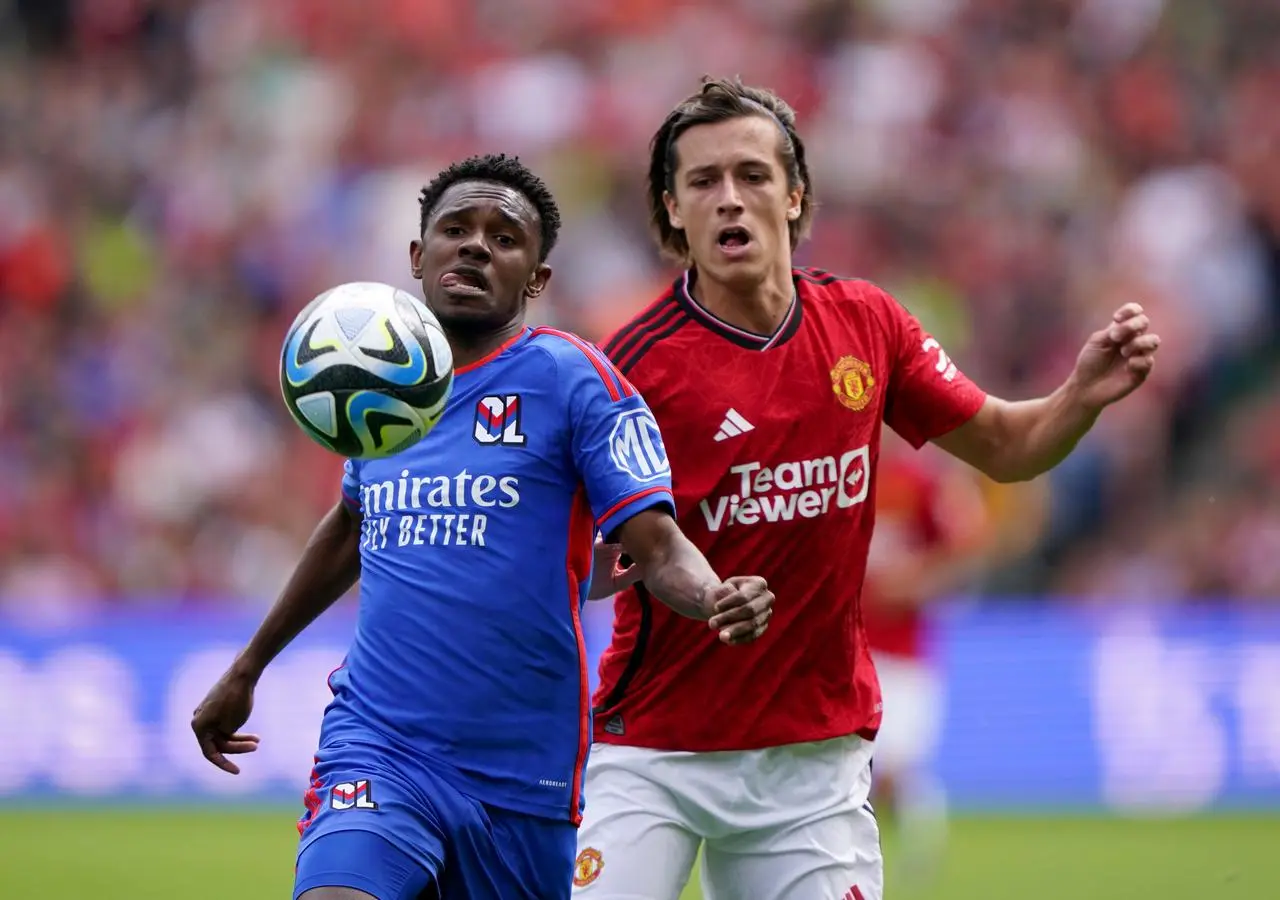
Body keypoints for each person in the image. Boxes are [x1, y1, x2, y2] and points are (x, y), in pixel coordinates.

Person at [575, 79, 1161, 900]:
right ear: (672, 210)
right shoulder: (631, 365)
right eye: (703, 182)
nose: (730, 199)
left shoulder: (867, 326)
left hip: (812, 756)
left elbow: (1005, 446)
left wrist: (1079, 397)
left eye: (752, 175)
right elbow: (579, 558)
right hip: (655, 749)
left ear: (795, 192)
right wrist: (676, 582)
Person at [189, 153, 774, 900]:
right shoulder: (377, 387)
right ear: (416, 256)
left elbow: (657, 546)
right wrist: (248, 667)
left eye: (504, 238)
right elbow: (347, 527)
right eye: (455, 230)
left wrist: (714, 595)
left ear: (537, 279)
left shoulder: (575, 382)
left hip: (521, 771)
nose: (474, 245)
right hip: (379, 743)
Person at [861, 432, 990, 886]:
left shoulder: (924, 481)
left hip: (905, 652)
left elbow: (966, 544)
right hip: (848, 646)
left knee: (893, 770)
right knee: (854, 768)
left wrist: (918, 582)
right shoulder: (846, 471)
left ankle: (920, 852)